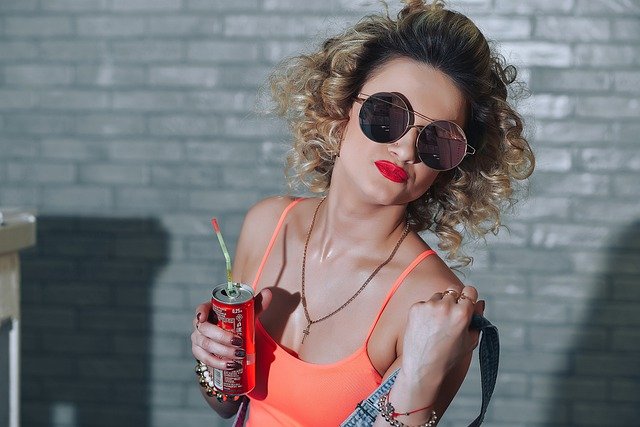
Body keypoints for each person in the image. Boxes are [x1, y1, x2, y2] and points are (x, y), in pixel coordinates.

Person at [191, 0, 534, 425]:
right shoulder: (266, 225)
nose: (406, 150)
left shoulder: (433, 305)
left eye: (437, 141)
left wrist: (420, 375)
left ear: (452, 167)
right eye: (388, 115)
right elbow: (227, 403)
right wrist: (213, 362)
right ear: (340, 113)